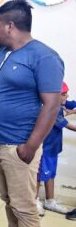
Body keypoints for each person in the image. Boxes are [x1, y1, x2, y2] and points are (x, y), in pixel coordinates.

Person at [0, 0, 64, 227]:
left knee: (25, 208)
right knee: (9, 201)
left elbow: (51, 105)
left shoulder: (44, 56)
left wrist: (31, 146)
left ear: (10, 26)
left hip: (18, 147)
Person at [36, 82, 76, 216]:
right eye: (64, 94)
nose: (67, 96)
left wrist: (72, 109)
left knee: (51, 174)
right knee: (39, 175)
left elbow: (71, 104)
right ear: (53, 96)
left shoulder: (60, 103)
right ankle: (34, 201)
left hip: (54, 147)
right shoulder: (49, 110)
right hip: (45, 149)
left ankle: (49, 201)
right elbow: (67, 124)